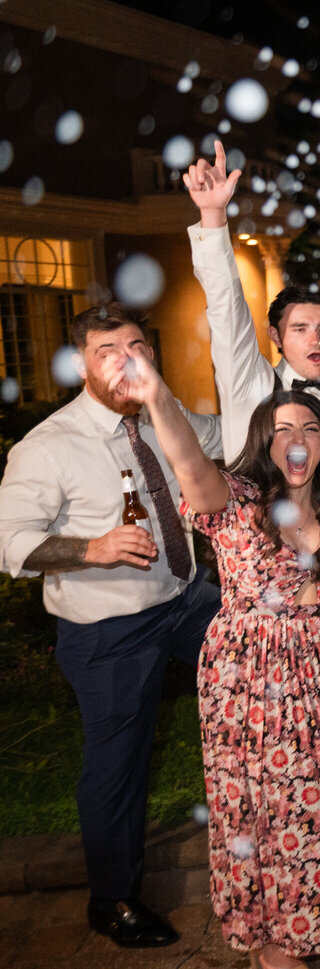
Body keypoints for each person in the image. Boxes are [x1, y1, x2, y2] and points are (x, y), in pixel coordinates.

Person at [122, 368, 320, 968]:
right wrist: (157, 397)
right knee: (260, 803)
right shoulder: (237, 499)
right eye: (283, 428)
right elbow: (188, 462)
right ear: (266, 442)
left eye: (311, 428)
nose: (298, 437)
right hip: (249, 672)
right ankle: (270, 937)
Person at [0, 304, 222, 949]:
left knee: (270, 670)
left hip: (185, 599)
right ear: (81, 363)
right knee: (117, 762)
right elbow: (11, 543)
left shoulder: (159, 412)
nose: (126, 361)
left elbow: (218, 436)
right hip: (109, 630)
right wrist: (89, 547)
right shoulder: (48, 446)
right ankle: (113, 898)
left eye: (135, 346)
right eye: (108, 351)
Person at [184, 140, 320, 480]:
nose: (316, 339)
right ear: (275, 335)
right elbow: (226, 307)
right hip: (266, 533)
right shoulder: (251, 383)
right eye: (300, 329)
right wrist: (213, 215)